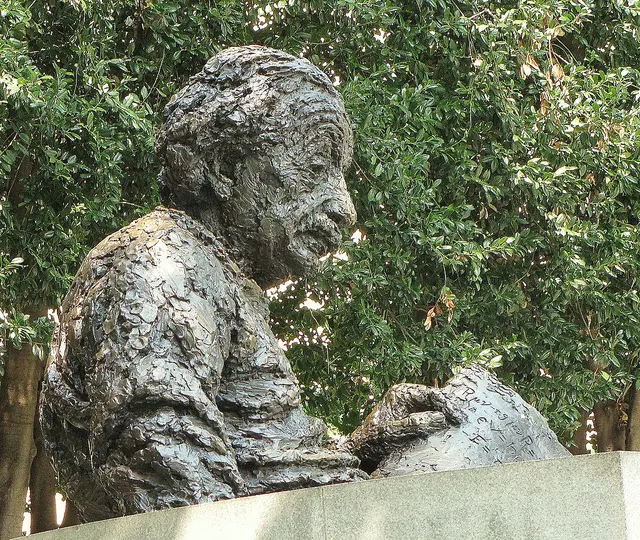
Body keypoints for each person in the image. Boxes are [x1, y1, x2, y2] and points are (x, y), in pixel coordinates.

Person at [41, 46, 567, 523]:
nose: (344, 208)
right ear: (226, 167)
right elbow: (164, 468)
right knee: (488, 412)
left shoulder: (210, 273)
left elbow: (254, 458)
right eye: (316, 168)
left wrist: (362, 447)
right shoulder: (163, 265)